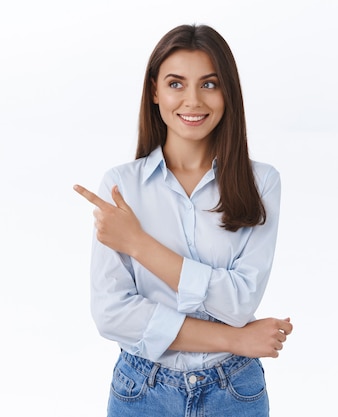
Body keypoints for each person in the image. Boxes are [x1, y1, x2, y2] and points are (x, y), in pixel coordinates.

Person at [73, 24, 293, 416]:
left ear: (228, 92)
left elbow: (240, 302)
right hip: (143, 391)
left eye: (209, 84)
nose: (192, 100)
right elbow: (114, 315)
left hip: (234, 391)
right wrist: (236, 339)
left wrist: (139, 245)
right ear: (155, 91)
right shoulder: (122, 185)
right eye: (176, 84)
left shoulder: (262, 183)